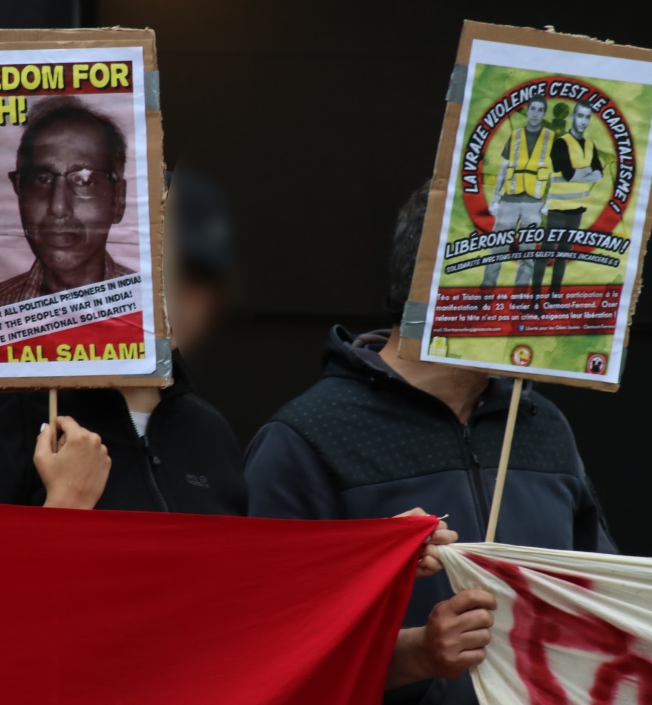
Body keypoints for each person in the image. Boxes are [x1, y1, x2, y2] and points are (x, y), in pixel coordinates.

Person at [244, 182, 616, 705]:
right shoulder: (308, 438)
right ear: (438, 276)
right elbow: (268, 654)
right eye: (517, 263)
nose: (540, 292)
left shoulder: (540, 423)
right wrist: (416, 656)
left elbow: (604, 603)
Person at [0, 167, 246, 515]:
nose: (175, 293)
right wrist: (66, 503)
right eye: (158, 267)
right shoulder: (4, 423)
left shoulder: (209, 433)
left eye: (195, 277)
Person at [0, 96, 134, 308]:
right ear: (19, 189)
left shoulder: (150, 306)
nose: (58, 207)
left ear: (118, 200)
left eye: (85, 181)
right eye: (42, 179)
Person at [532, 100, 604, 306]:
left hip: (577, 211)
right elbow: (569, 174)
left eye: (587, 117)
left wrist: (581, 173)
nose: (583, 121)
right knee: (545, 253)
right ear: (572, 118)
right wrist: (584, 173)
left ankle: (554, 297)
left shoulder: (590, 145)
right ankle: (535, 298)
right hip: (557, 210)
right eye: (579, 116)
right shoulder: (561, 143)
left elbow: (599, 174)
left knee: (563, 255)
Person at [481, 96, 555, 289]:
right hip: (509, 202)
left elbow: (555, 173)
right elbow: (504, 169)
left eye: (540, 110)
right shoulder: (515, 136)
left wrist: (550, 201)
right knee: (497, 248)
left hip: (534, 204)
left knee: (527, 251)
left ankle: (520, 295)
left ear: (544, 113)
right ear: (528, 111)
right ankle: (486, 290)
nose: (536, 114)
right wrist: (496, 199)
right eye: (533, 109)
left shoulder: (550, 138)